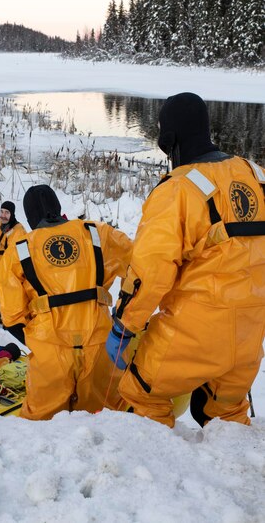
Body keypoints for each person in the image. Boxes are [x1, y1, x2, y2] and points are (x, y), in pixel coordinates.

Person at [106, 92, 265, 428]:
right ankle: (236, 471)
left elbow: (151, 270)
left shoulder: (178, 190)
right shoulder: (256, 176)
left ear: (170, 139)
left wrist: (124, 324)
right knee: (228, 413)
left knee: (140, 394)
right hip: (250, 335)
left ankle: (155, 473)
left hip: (194, 332)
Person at [0, 184, 132, 420]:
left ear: (29, 216)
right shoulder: (98, 233)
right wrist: (124, 318)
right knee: (108, 423)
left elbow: (11, 317)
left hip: (50, 351)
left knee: (40, 425)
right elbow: (143, 265)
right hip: (100, 345)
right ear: (58, 207)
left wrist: (39, 344)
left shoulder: (17, 251)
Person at [0, 201, 27, 342]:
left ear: (12, 214)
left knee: (10, 293)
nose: (3, 215)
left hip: (10, 267)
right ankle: (2, 313)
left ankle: (11, 321)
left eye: (7, 212)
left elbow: (19, 253)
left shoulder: (18, 230)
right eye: (2, 211)